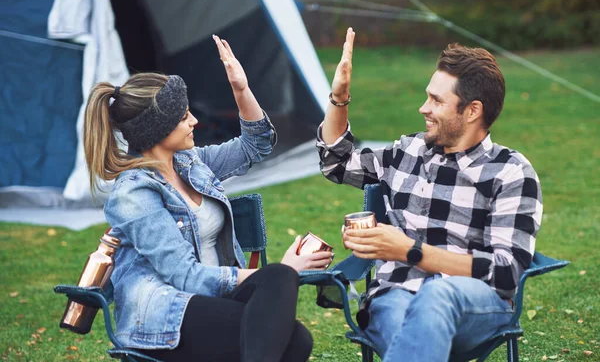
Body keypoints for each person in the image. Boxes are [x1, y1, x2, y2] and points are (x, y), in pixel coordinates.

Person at [83, 35, 333, 362]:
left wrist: (241, 89)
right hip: (164, 317)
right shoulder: (133, 193)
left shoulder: (190, 164)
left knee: (296, 336)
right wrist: (280, 271)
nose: (194, 121)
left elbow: (255, 145)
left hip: (211, 303)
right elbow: (184, 276)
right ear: (157, 129)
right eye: (184, 116)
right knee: (286, 304)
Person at [317, 28, 542, 361]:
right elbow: (337, 162)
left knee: (437, 296)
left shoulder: (510, 171)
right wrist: (340, 96)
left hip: (474, 303)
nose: (424, 108)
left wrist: (409, 250)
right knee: (401, 319)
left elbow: (506, 273)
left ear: (472, 111)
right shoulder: (408, 152)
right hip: (394, 295)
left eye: (437, 100)